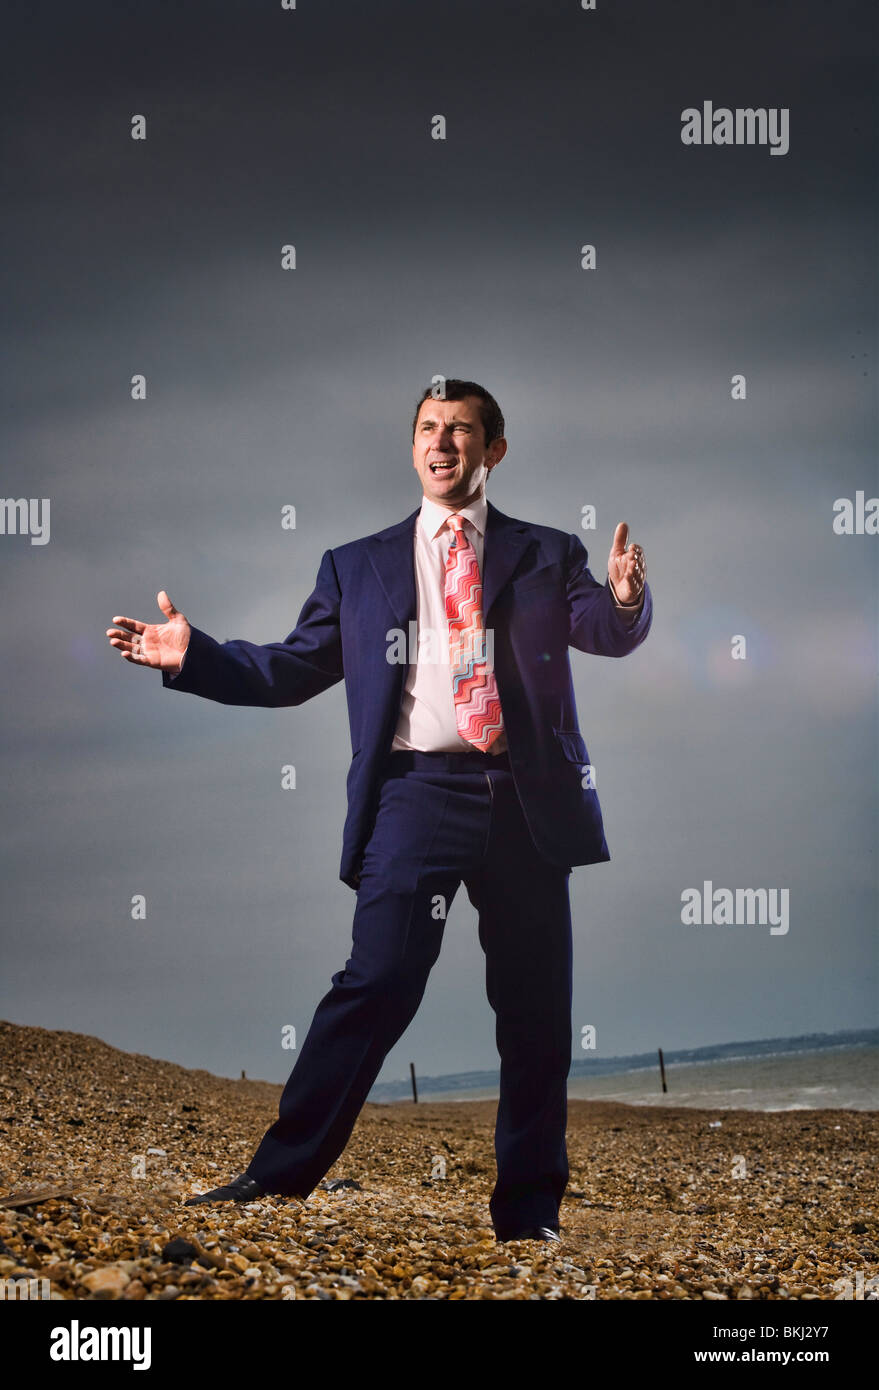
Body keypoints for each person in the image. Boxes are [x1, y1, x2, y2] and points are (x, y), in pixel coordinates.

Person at [106, 379, 652, 1243]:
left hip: (525, 802)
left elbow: (603, 629)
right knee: (376, 980)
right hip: (414, 796)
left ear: (492, 450)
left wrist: (624, 598)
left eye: (463, 431)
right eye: (429, 430)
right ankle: (274, 1178)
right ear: (412, 449)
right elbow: (289, 670)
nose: (443, 443)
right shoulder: (354, 566)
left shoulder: (547, 553)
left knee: (536, 1008)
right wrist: (193, 657)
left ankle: (528, 1216)